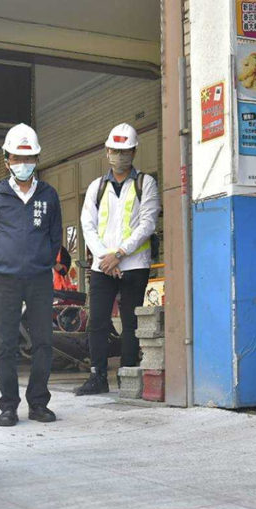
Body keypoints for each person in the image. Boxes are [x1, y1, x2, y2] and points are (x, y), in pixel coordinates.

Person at [0, 123, 62, 427]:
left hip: (41, 279)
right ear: (6, 160)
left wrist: (41, 260)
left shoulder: (49, 195)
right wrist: (5, 260)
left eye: (28, 158)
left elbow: (56, 238)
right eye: (16, 158)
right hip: (7, 279)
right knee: (5, 343)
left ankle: (38, 403)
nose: (22, 164)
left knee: (43, 341)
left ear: (37, 160)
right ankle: (8, 406)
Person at [75, 123, 161, 395]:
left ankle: (129, 376)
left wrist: (119, 254)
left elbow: (147, 224)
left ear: (134, 152)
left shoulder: (145, 183)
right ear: (107, 151)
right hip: (103, 266)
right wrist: (105, 258)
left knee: (131, 322)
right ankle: (97, 377)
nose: (119, 156)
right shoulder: (95, 187)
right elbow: (87, 225)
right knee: (97, 322)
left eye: (125, 151)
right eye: (115, 150)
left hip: (133, 265)